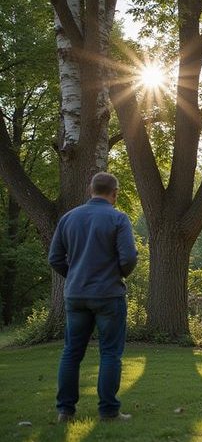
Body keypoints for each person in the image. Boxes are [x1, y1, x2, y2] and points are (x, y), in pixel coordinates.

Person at [48, 172, 138, 422]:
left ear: (91, 190)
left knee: (71, 352)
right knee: (110, 353)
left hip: (76, 295)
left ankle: (65, 411)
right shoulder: (118, 218)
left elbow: (54, 258)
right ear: (115, 193)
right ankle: (109, 411)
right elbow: (129, 258)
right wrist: (117, 274)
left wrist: (75, 275)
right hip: (108, 295)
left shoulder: (68, 218)